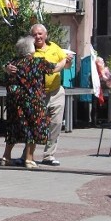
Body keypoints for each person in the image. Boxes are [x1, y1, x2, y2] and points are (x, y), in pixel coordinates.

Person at [6, 24, 72, 166]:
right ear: (31, 37)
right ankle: (27, 157)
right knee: (34, 125)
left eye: (40, 34)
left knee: (55, 123)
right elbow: (55, 67)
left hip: (54, 91)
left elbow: (66, 65)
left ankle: (48, 155)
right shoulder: (29, 51)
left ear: (46, 35)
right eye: (35, 34)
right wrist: (7, 68)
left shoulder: (54, 47)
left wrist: (67, 61)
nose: (38, 36)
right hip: (36, 95)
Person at [1, 36, 57, 169]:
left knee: (13, 128)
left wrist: (5, 67)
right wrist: (65, 60)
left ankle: (6, 157)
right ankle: (29, 159)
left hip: (15, 102)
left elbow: (4, 68)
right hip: (33, 101)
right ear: (30, 49)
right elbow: (55, 68)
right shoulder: (37, 62)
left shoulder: (12, 63)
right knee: (34, 128)